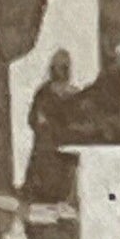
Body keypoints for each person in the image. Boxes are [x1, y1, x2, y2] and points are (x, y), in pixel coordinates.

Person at [24, 51, 79, 204]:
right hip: (46, 152)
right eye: (59, 67)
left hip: (66, 151)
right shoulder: (44, 93)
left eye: (65, 67)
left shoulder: (74, 94)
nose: (62, 70)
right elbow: (35, 119)